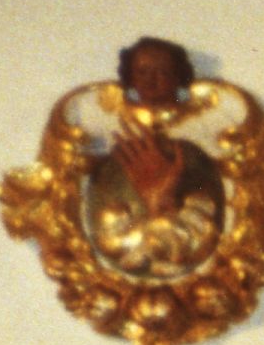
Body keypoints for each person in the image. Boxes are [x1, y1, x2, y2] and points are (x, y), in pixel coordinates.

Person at [82, 37, 228, 271]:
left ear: (179, 77)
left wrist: (164, 200)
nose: (151, 80)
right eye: (142, 72)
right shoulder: (114, 142)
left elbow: (202, 229)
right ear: (130, 78)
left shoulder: (194, 145)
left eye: (162, 72)